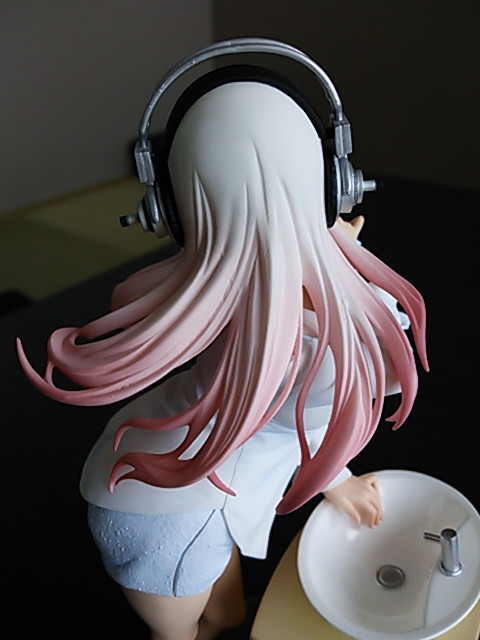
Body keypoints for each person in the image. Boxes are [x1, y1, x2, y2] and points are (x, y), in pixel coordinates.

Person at [17, 71, 428, 640]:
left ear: (168, 211)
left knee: (229, 616)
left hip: (175, 478)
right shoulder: (315, 348)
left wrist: (331, 253)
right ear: (335, 185)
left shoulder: (223, 295)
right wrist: (338, 478)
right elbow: (306, 422)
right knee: (183, 632)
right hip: (159, 516)